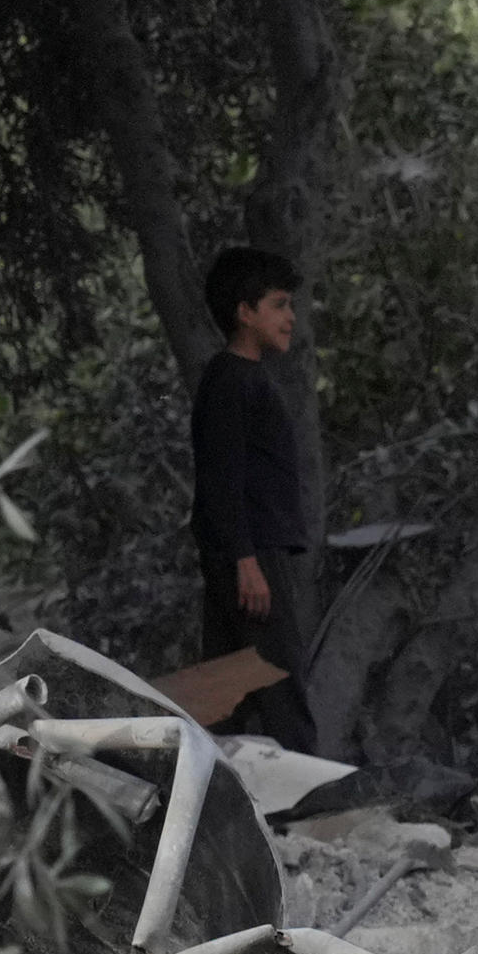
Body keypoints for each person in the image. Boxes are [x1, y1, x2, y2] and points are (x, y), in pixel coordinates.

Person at [188, 245, 318, 750]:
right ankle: (316, 812)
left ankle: (208, 807)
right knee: (280, 680)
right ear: (245, 312)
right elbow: (222, 478)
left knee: (224, 695)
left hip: (244, 553)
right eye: (280, 304)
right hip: (248, 555)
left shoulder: (244, 378)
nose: (290, 317)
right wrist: (246, 560)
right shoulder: (230, 381)